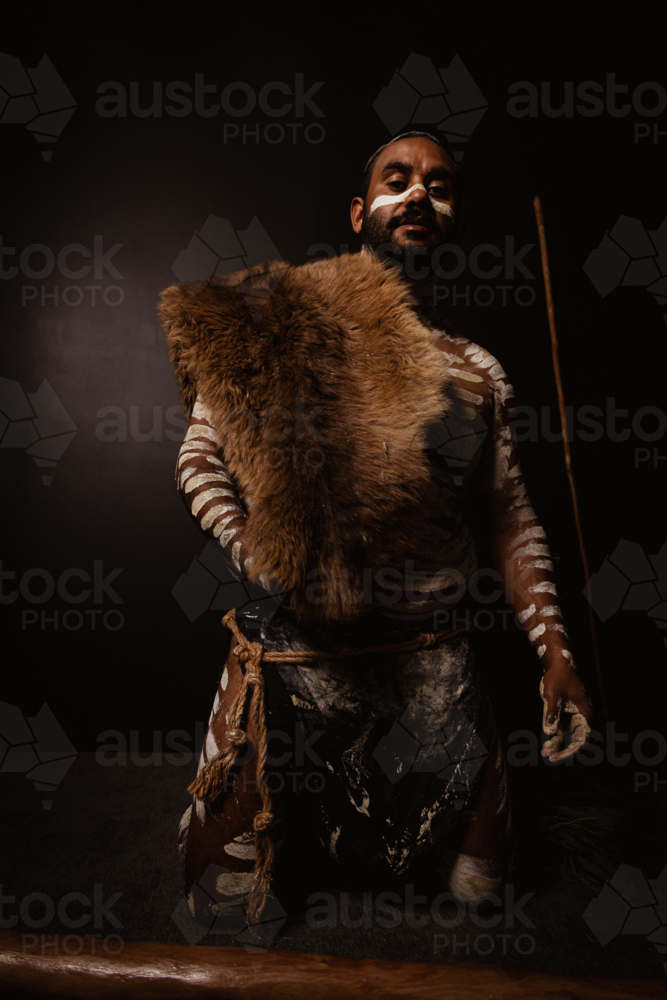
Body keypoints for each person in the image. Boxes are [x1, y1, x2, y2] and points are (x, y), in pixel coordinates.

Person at [159, 132, 592, 934]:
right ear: (361, 211)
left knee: (479, 896)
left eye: (439, 185)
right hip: (298, 662)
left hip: (435, 663)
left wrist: (554, 649)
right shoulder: (277, 328)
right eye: (397, 180)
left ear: (453, 217)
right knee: (219, 913)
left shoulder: (478, 372)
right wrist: (251, 546)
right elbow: (199, 458)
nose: (419, 195)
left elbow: (508, 515)